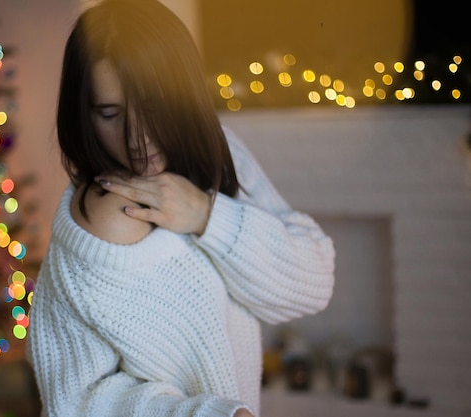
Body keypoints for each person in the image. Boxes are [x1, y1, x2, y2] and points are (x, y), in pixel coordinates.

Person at [26, 0, 335, 416]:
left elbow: (311, 284)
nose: (136, 139)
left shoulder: (222, 156)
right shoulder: (108, 219)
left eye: (153, 106)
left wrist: (208, 217)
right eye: (109, 113)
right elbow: (76, 402)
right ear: (83, 114)